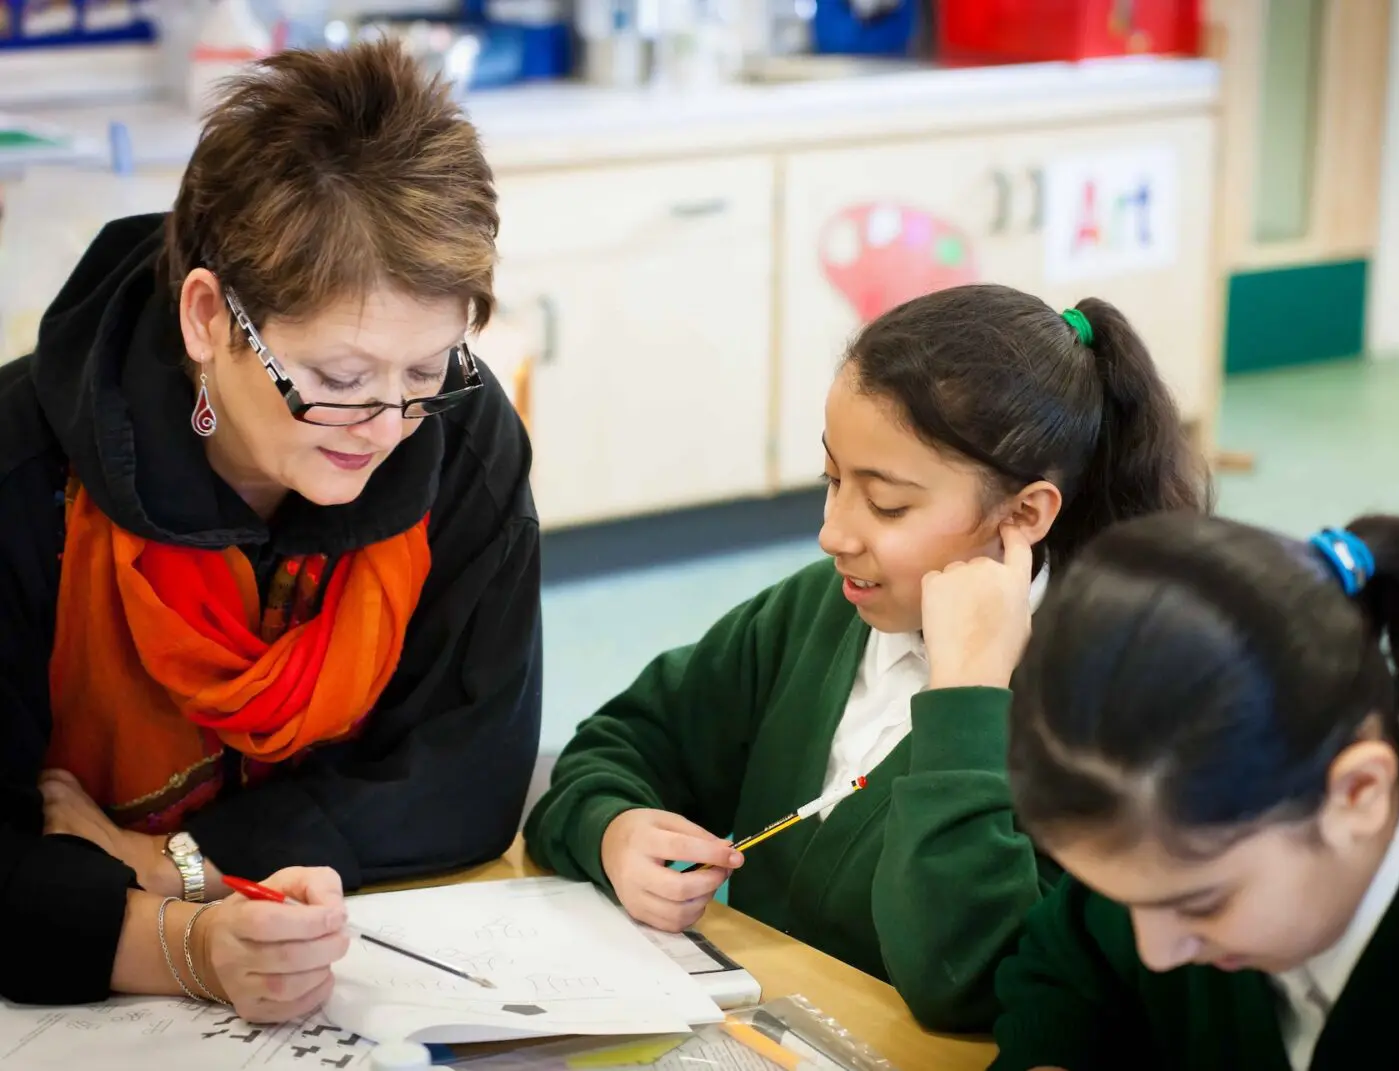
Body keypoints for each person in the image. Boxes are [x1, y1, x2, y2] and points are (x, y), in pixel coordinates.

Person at [1, 42, 542, 1023]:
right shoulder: (23, 474)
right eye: (336, 381)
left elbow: (470, 779)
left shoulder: (458, 436)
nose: (386, 428)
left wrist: (167, 867)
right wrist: (184, 943)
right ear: (208, 316)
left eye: (427, 369)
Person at [526, 283, 1209, 1031]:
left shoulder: (1107, 713)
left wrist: (969, 695)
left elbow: (969, 980)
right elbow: (609, 752)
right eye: (833, 479)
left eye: (887, 504)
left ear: (1024, 515)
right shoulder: (818, 611)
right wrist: (613, 829)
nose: (834, 532)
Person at [992, 513, 1399, 1070]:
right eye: (1121, 900)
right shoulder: (1169, 845)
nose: (1156, 954)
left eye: (1204, 905)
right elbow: (1062, 970)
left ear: (1357, 794)